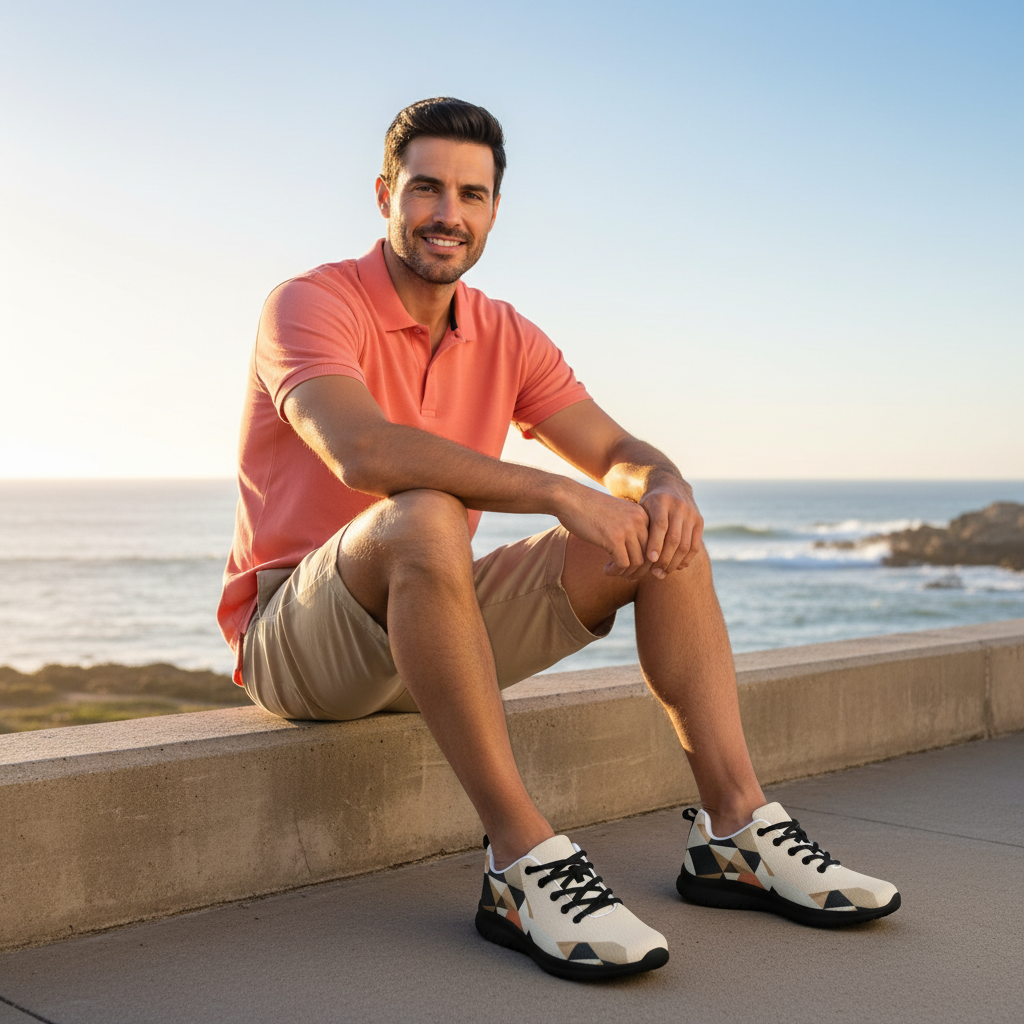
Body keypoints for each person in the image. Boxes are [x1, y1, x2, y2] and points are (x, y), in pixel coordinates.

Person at [218, 97, 900, 982]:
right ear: (386, 194)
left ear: (496, 209)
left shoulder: (505, 333)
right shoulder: (310, 304)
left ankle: (735, 833)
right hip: (300, 640)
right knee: (422, 508)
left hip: (431, 625)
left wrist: (663, 484)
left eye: (472, 194)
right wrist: (556, 493)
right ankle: (520, 862)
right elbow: (362, 450)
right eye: (426, 188)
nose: (447, 214)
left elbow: (616, 452)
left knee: (658, 532)